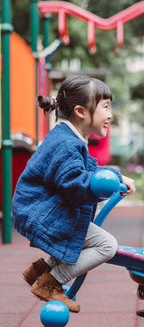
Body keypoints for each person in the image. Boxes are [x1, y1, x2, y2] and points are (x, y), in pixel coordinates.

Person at [12, 75, 136, 313]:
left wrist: (117, 178)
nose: (110, 115)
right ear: (81, 111)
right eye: (106, 107)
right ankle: (51, 282)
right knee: (106, 245)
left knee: (79, 238)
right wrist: (107, 184)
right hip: (43, 213)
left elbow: (86, 172)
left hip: (41, 208)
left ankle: (40, 272)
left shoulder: (68, 137)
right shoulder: (67, 144)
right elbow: (76, 186)